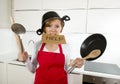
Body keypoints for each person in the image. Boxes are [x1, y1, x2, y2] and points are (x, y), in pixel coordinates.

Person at [23, 11, 84, 84]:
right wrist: (26, 60)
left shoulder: (66, 46)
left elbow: (67, 70)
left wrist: (75, 64)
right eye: (49, 26)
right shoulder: (38, 45)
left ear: (61, 28)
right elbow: (33, 69)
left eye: (57, 26)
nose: (53, 29)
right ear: (44, 29)